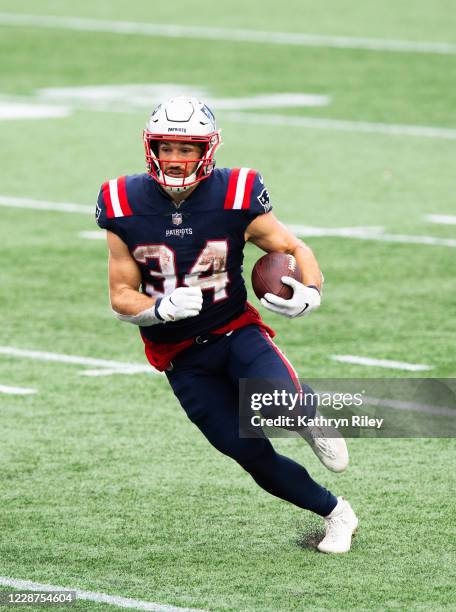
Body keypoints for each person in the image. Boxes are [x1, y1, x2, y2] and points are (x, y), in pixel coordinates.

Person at [96, 96, 358, 553]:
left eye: (188, 149)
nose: (175, 159)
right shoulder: (121, 201)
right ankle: (337, 513)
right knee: (248, 452)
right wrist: (158, 309)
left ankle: (308, 416)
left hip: (234, 328)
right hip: (180, 355)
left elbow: (295, 249)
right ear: (150, 147)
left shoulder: (237, 191)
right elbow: (120, 295)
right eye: (167, 147)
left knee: (278, 401)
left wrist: (310, 293)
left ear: (207, 150)